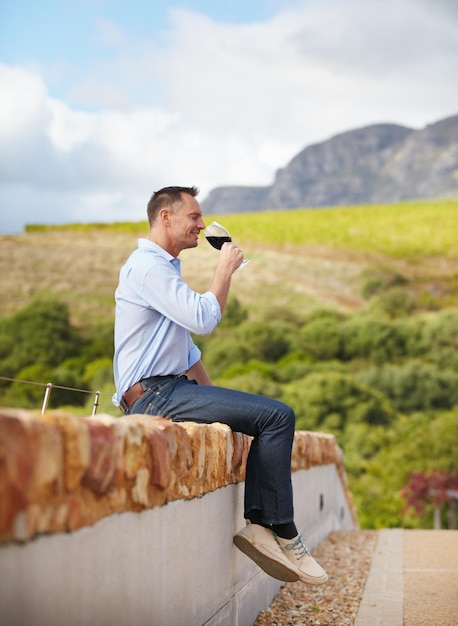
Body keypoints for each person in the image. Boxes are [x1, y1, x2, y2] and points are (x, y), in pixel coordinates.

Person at [112, 185, 328, 585]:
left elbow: (187, 351)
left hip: (168, 391)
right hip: (157, 396)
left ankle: (268, 528)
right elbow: (203, 319)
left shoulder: (163, 269)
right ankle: (279, 531)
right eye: (194, 216)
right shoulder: (147, 267)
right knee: (279, 417)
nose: (200, 225)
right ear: (166, 217)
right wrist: (224, 269)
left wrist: (221, 404)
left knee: (266, 417)